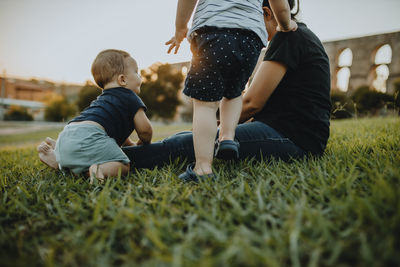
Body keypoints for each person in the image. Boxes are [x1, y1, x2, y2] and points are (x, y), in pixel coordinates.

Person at [165, 0, 298, 181]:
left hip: (213, 30)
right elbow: (280, 4)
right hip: (251, 39)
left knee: (206, 105)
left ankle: (203, 167)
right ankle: (227, 138)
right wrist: (285, 24)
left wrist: (180, 28)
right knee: (234, 93)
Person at [38, 49, 152, 182]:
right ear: (122, 80)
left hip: (68, 133)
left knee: (82, 154)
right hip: (90, 135)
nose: (140, 77)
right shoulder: (130, 97)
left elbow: (115, 131)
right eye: (137, 72)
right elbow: (145, 130)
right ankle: (98, 170)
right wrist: (143, 143)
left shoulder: (101, 100)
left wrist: (130, 144)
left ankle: (59, 158)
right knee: (124, 165)